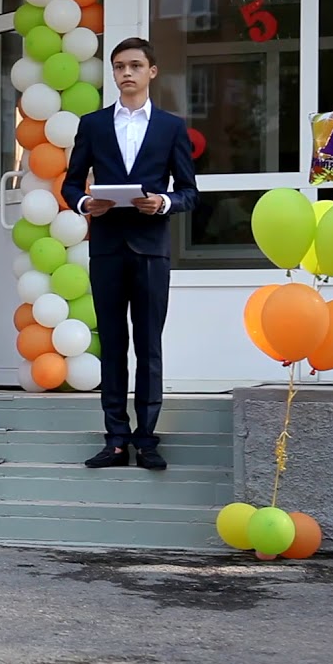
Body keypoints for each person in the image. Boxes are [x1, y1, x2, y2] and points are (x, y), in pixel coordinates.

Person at [60, 37, 199, 471]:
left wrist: (164, 202)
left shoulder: (171, 127)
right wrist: (86, 203)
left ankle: (147, 440)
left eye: (135, 65)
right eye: (120, 66)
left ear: (151, 72)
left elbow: (189, 191)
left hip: (151, 250)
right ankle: (116, 440)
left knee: (149, 346)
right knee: (113, 345)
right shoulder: (93, 125)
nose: (126, 73)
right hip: (107, 248)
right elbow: (71, 184)